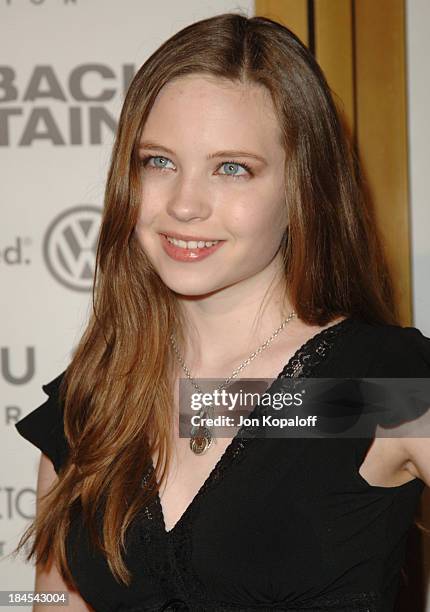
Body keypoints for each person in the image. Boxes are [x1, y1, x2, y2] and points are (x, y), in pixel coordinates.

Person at [14, 11, 430, 612]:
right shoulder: (91, 404)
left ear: (302, 188)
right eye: (158, 161)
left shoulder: (374, 385)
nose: (184, 204)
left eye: (231, 168)